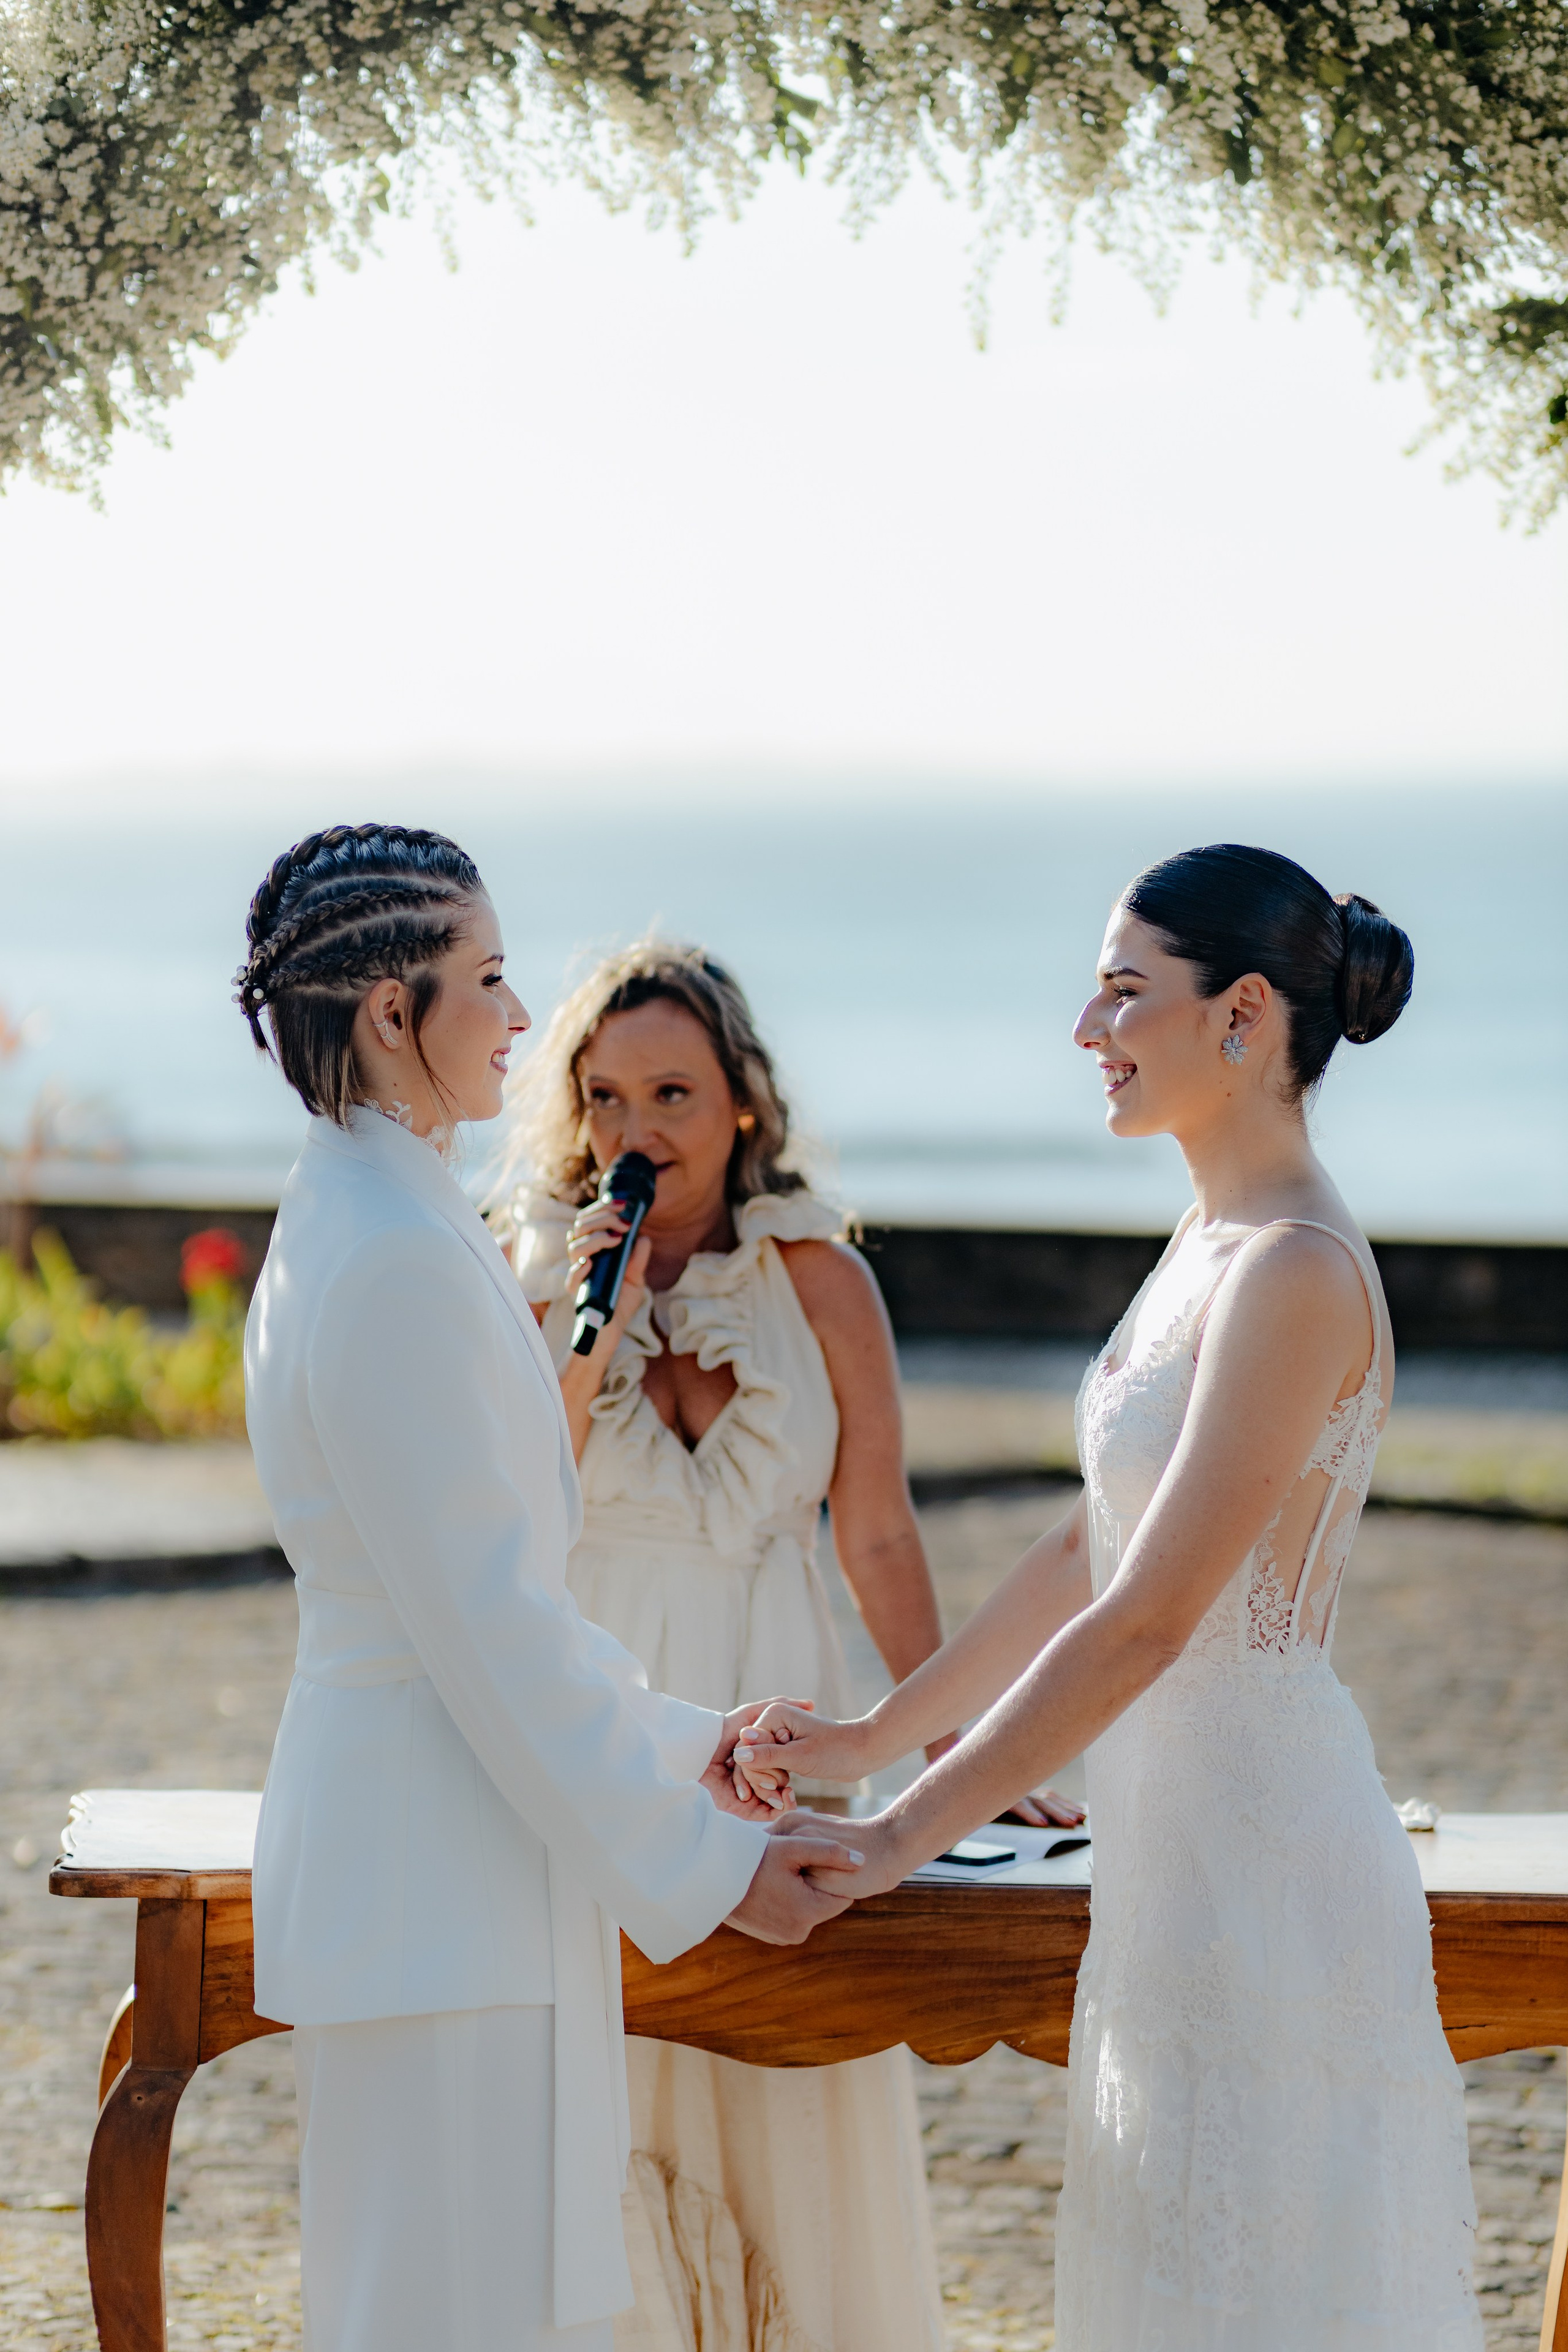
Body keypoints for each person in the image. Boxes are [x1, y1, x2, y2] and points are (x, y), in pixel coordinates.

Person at [737, 845, 1483, 2351]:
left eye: (1124, 993)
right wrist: (875, 1733)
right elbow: (1088, 1548)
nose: (1087, 1030)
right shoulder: (1206, 1242)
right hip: (1174, 1868)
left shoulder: (1290, 1270)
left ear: (1243, 1015)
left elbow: (1146, 1619)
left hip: (1267, 1875)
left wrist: (895, 1840)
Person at [235, 827, 862, 2352]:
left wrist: (682, 1739)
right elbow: (495, 1628)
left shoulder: (376, 1212)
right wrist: (709, 1850)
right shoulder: (389, 1253)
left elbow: (485, 1580)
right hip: (435, 1876)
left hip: (440, 1859)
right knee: (453, 2316)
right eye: (491, 978)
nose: (521, 1022)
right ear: (392, 1012)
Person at [502, 938, 1082, 2352]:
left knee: (790, 2063)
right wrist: (592, 1325)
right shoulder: (526, 1273)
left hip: (781, 1707)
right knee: (608, 2058)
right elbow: (516, 1504)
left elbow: (874, 1534)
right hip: (607, 1697)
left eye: (672, 1096)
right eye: (604, 1098)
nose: (634, 1133)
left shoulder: (819, 1279)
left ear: (742, 1105)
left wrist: (960, 1746)